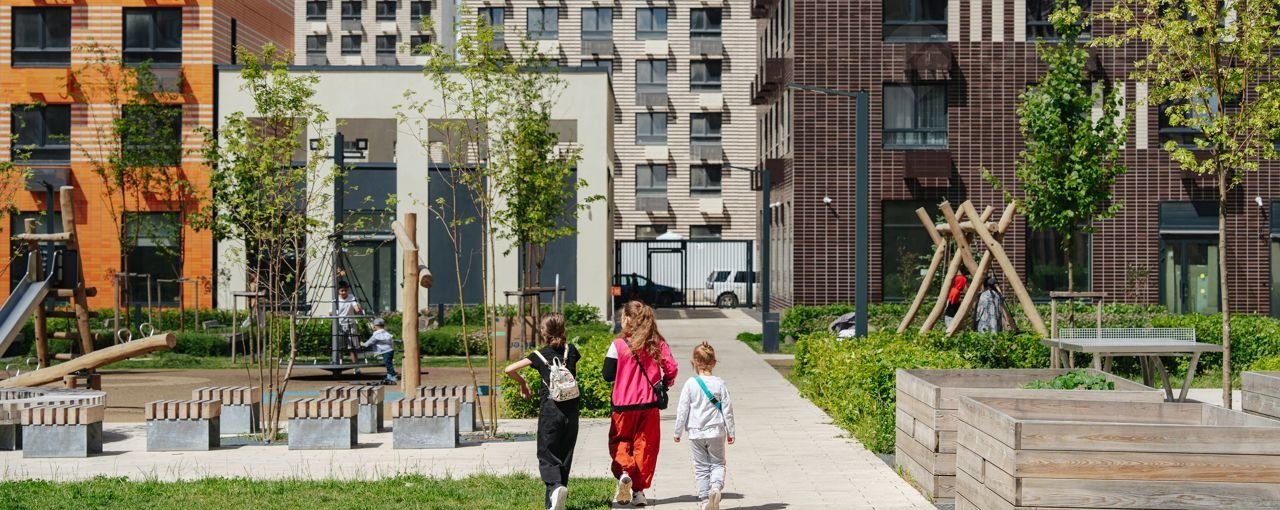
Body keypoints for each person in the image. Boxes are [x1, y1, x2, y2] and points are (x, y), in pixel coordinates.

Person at [603, 301, 678, 507]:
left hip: (622, 406)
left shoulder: (618, 345)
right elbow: (671, 368)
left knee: (620, 441)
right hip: (649, 405)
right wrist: (665, 383)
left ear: (628, 319)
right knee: (645, 447)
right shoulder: (656, 343)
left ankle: (625, 472)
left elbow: (607, 375)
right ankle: (639, 492)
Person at [504, 313, 581, 510]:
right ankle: (555, 498)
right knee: (565, 453)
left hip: (551, 410)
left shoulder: (539, 355)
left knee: (547, 453)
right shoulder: (571, 351)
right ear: (563, 330)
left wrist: (523, 383)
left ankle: (555, 487)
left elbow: (509, 369)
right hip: (571, 410)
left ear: (543, 332)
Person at [674, 342, 736, 510]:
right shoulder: (720, 383)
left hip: (695, 432)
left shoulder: (690, 384)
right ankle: (715, 487)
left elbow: (682, 409)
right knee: (718, 463)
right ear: (714, 363)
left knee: (701, 467)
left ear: (694, 363)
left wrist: (677, 432)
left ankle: (704, 500)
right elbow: (727, 409)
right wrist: (731, 431)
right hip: (716, 431)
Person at [361, 317, 399, 384]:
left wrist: (363, 344)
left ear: (375, 326)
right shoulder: (386, 333)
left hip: (386, 351)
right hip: (389, 350)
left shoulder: (376, 334)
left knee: (388, 363)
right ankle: (389, 375)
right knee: (388, 363)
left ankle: (393, 375)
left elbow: (370, 342)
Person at [336, 281, 363, 366]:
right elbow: (331, 312)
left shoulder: (351, 297)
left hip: (351, 324)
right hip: (340, 325)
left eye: (345, 290)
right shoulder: (336, 299)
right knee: (340, 347)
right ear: (338, 291)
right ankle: (339, 364)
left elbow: (356, 308)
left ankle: (356, 366)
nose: (344, 292)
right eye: (342, 291)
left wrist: (358, 309)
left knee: (352, 347)